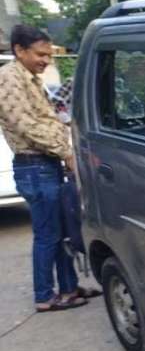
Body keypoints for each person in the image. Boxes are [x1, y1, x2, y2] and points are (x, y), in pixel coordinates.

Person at [0, 25, 97, 312]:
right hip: (35, 166)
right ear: (20, 50)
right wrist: (65, 151)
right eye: (40, 55)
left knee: (61, 231)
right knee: (47, 235)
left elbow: (45, 119)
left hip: (46, 164)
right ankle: (44, 296)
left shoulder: (28, 78)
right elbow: (27, 127)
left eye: (48, 55)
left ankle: (68, 288)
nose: (46, 61)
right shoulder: (9, 80)